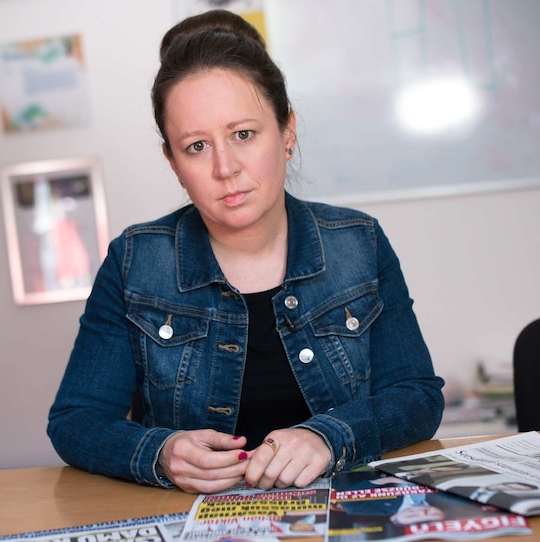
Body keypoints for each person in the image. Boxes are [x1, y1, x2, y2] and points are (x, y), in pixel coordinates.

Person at [47, 9, 444, 494]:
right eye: (196, 146)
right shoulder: (135, 261)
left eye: (243, 134)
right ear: (173, 162)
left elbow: (418, 398)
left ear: (287, 131)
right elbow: (75, 420)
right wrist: (160, 453)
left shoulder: (358, 242)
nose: (224, 167)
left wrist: (330, 438)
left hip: (346, 509)